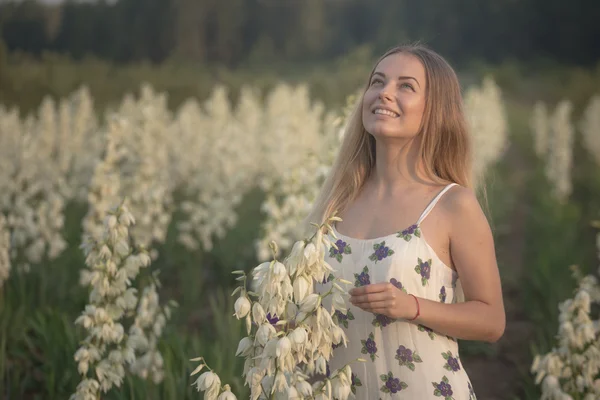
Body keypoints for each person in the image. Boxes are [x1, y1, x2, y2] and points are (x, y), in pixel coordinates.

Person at [309, 44, 505, 399]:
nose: (384, 93)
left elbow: (492, 321)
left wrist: (411, 306)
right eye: (378, 82)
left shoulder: (451, 204)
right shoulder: (336, 201)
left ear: (435, 110)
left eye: (406, 86)